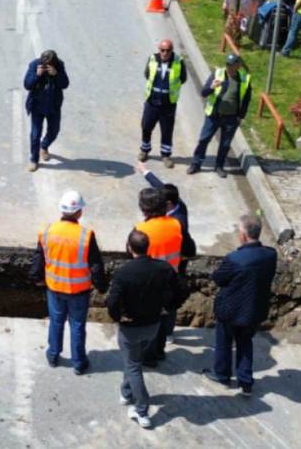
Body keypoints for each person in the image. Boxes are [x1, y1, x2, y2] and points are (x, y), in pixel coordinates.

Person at [29, 190, 108, 375]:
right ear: (79, 212)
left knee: (56, 323)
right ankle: (79, 363)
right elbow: (96, 265)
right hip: (79, 291)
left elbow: (38, 260)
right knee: (77, 326)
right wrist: (101, 286)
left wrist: (37, 279)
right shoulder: (86, 235)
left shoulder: (47, 231)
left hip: (55, 289)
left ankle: (53, 356)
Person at [107, 230, 179, 429]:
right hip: (153, 327)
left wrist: (118, 317)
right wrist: (168, 308)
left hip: (131, 328)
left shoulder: (124, 272)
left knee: (133, 366)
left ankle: (142, 411)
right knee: (133, 361)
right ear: (148, 247)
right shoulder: (163, 268)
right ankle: (125, 393)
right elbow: (181, 290)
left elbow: (112, 301)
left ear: (129, 248)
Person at [202, 214, 277, 396]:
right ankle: (245, 382)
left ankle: (223, 375)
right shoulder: (270, 254)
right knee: (245, 343)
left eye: (238, 230)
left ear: (243, 236)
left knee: (224, 343)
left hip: (231, 310)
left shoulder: (235, 258)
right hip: (255, 310)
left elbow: (219, 279)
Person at [137, 160, 194, 350]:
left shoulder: (179, 222)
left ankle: (167, 333)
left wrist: (182, 258)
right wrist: (146, 172)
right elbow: (160, 186)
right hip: (164, 265)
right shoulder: (176, 202)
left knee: (168, 305)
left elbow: (189, 250)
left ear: (168, 204)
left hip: (172, 270)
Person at [133, 187, 183, 367]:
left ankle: (148, 356)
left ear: (144, 209)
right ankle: (159, 351)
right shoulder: (176, 224)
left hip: (148, 284)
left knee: (149, 321)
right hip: (170, 283)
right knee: (164, 318)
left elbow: (131, 254)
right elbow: (189, 249)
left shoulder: (140, 230)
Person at [187, 53, 251, 178]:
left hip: (232, 118)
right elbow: (204, 92)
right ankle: (196, 164)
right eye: (227, 64)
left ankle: (219, 166)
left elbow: (246, 100)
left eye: (231, 65)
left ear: (238, 66)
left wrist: (240, 117)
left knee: (225, 144)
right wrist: (212, 87)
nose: (228, 67)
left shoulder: (244, 79)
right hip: (214, 115)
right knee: (204, 140)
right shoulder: (217, 74)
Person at [139, 39, 188, 169]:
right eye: (162, 50)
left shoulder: (178, 62)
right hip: (152, 102)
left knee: (167, 130)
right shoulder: (152, 59)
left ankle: (166, 155)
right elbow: (147, 74)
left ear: (172, 50)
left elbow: (183, 78)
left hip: (168, 104)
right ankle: (145, 150)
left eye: (168, 50)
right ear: (159, 49)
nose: (165, 53)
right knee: (146, 126)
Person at [23, 49, 69, 172]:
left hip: (53, 105)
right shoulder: (34, 65)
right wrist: (37, 75)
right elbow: (27, 85)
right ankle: (34, 160)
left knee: (54, 131)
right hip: (37, 106)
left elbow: (65, 84)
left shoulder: (59, 65)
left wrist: (56, 74)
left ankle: (44, 146)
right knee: (35, 135)